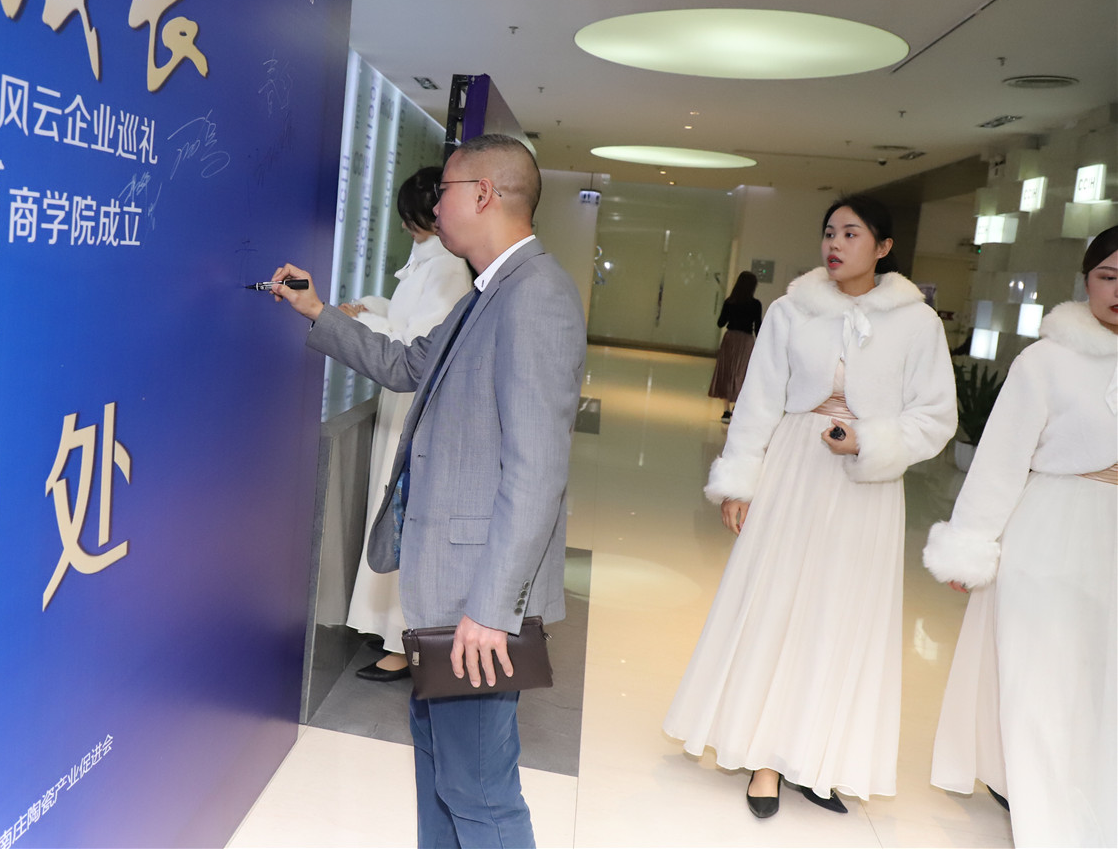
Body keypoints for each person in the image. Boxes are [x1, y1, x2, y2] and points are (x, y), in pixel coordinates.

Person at [269, 133, 587, 847]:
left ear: (484, 194)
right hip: (448, 591)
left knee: (480, 793)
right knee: (442, 765)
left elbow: (537, 470)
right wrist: (316, 312)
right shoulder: (488, 291)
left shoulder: (535, 296)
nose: (435, 205)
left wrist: (491, 608)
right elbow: (408, 364)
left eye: (445, 191)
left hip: (476, 602)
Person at [663, 194, 957, 818]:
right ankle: (765, 759)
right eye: (829, 232)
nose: (835, 244)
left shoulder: (917, 323)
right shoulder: (792, 309)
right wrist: (740, 480)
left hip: (866, 484)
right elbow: (759, 399)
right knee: (777, 602)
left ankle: (818, 756)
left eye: (851, 234)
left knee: (842, 613)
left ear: (883, 247)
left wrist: (870, 441)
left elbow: (935, 416)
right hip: (795, 468)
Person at [922, 224, 1118, 847]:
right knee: (1041, 671)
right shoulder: (1046, 361)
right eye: (1109, 276)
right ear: (1085, 281)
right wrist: (970, 544)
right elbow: (1000, 460)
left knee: (1100, 676)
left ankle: (1085, 787)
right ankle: (1041, 801)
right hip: (1052, 529)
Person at [341, 167, 473, 682]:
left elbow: (416, 345)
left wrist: (360, 322)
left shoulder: (448, 268)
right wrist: (370, 310)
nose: (406, 226)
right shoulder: (430, 259)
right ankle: (386, 629)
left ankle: (403, 641)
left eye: (411, 217)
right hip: (398, 402)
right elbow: (403, 318)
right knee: (390, 515)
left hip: (413, 404)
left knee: (401, 518)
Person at [709, 271, 762, 422]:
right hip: (746, 342)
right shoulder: (756, 304)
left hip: (730, 339)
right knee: (742, 374)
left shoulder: (729, 302)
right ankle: (737, 407)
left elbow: (721, 323)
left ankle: (726, 411)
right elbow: (758, 327)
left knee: (726, 372)